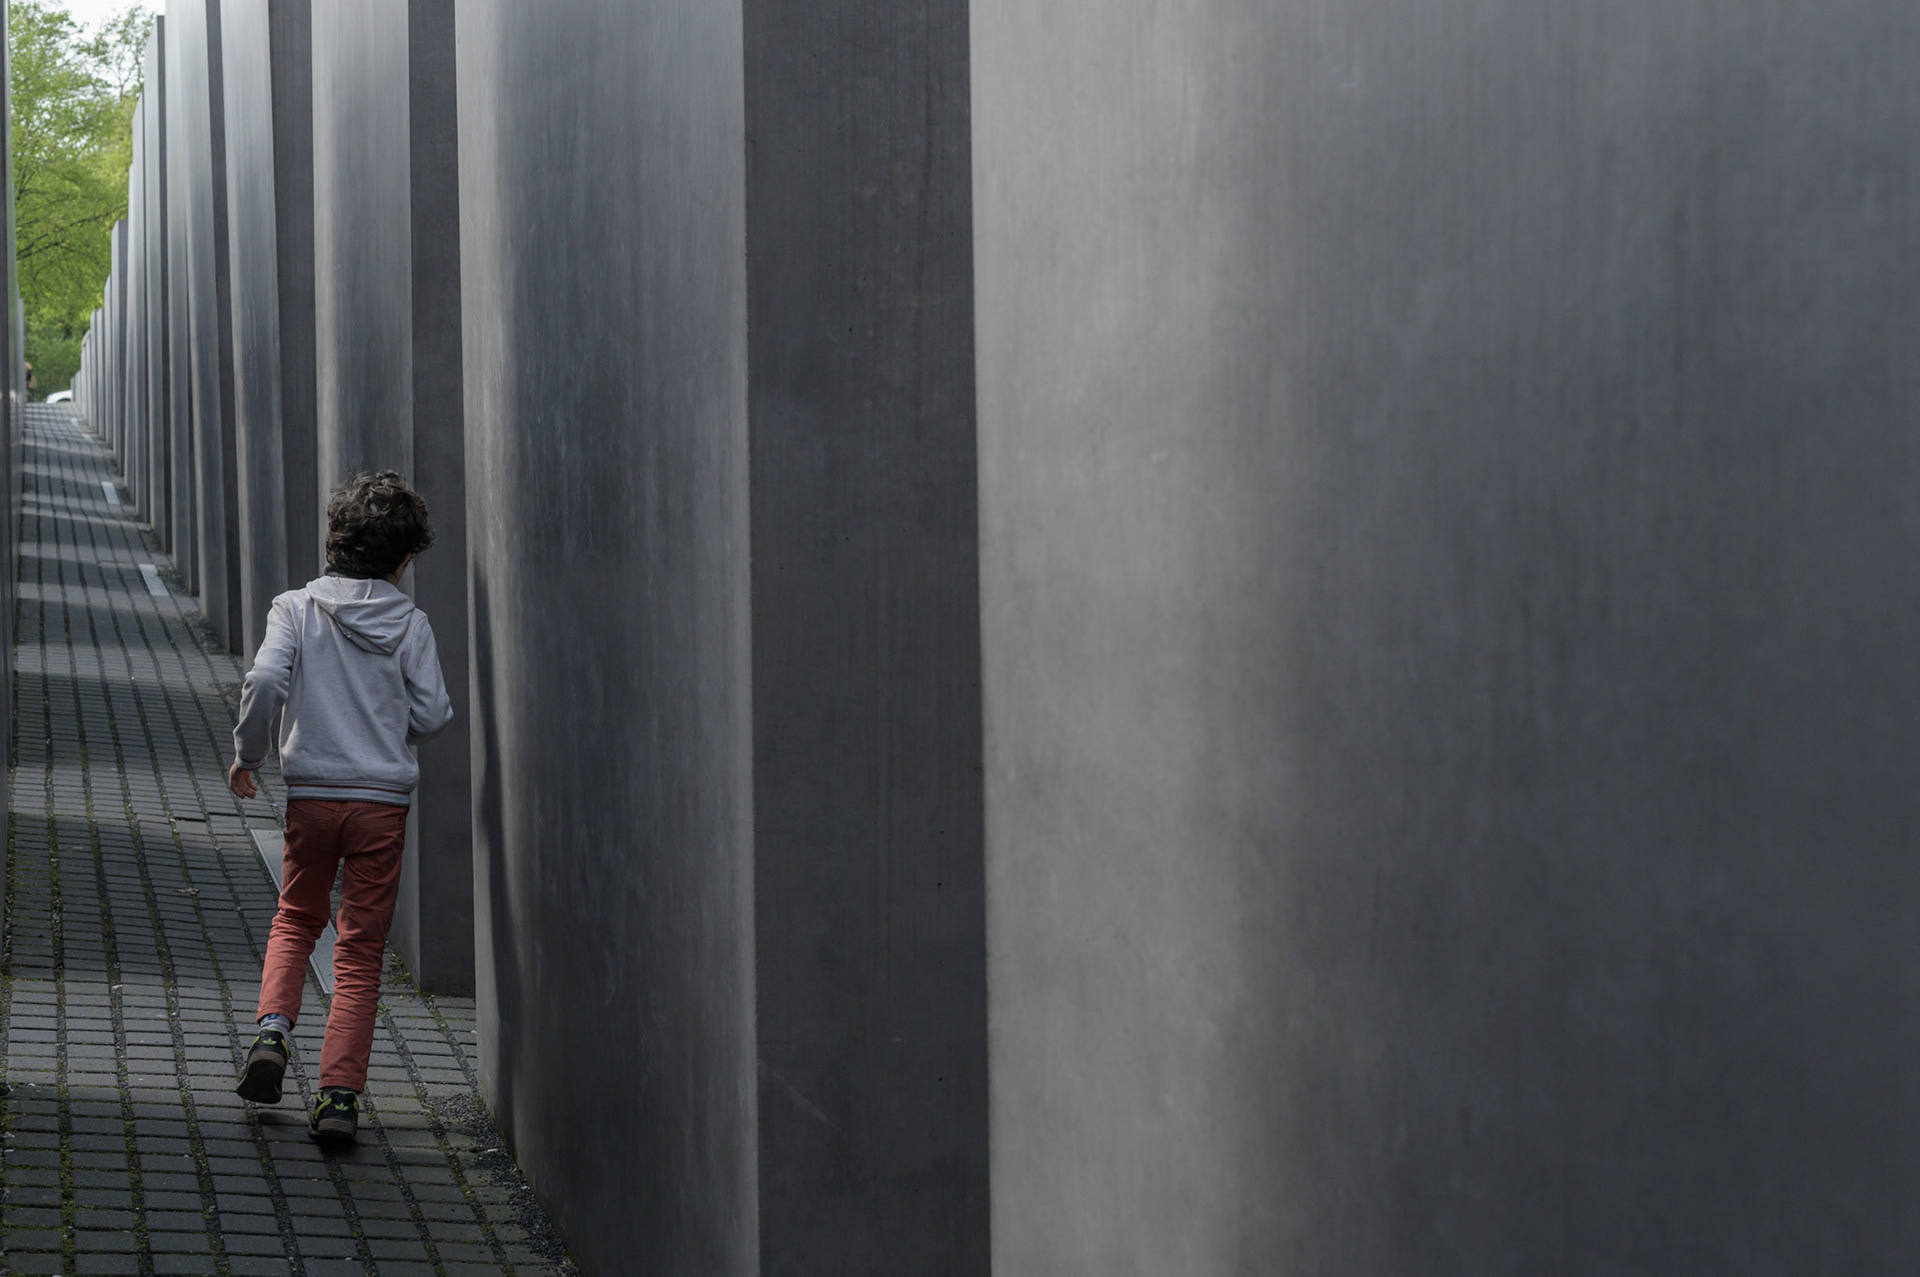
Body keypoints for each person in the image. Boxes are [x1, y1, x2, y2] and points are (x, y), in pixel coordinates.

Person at [227, 471, 453, 1145]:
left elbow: (266, 678)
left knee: (296, 919)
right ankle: (338, 1096)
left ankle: (272, 1031)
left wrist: (251, 753)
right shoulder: (409, 622)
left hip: (312, 795)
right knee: (359, 951)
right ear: (403, 558)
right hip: (380, 804)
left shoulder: (296, 607)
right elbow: (434, 711)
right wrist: (389, 726)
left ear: (335, 538)